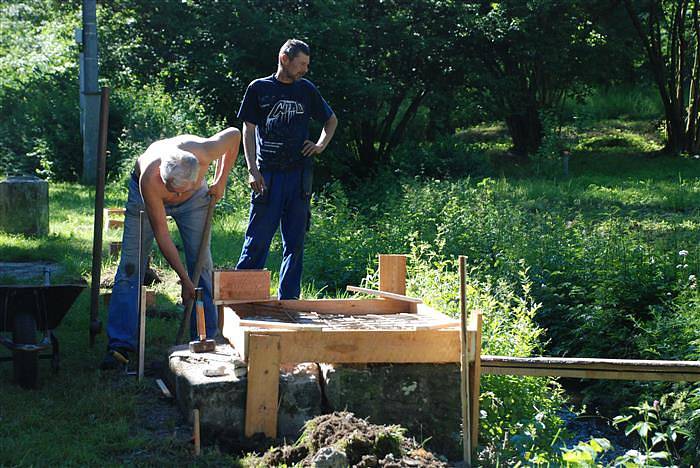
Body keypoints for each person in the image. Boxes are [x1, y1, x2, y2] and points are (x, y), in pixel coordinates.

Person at [101, 128, 240, 369]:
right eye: (172, 190)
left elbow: (235, 134)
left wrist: (221, 179)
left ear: (199, 171)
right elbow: (162, 236)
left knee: (202, 266)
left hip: (195, 200)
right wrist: (184, 281)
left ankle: (205, 339)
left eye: (180, 191)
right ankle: (120, 345)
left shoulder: (205, 151)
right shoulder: (150, 179)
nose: (175, 196)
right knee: (131, 268)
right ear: (162, 175)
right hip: (145, 198)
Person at [236, 39, 338, 299]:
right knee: (257, 239)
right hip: (267, 176)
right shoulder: (259, 88)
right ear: (285, 59)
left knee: (294, 243)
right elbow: (247, 130)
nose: (305, 69)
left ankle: (289, 302)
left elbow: (331, 120)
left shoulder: (306, 90)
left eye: (307, 64)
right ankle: (243, 299)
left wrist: (320, 145)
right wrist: (251, 170)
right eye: (301, 64)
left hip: (299, 177)